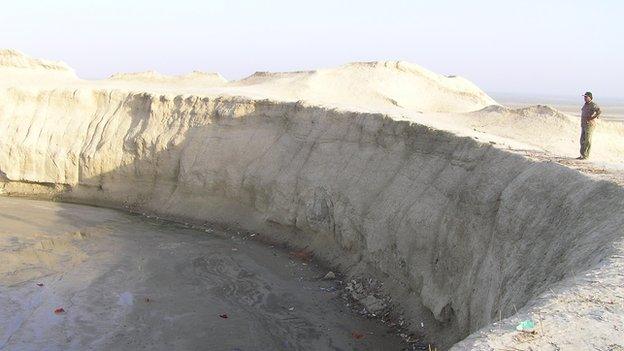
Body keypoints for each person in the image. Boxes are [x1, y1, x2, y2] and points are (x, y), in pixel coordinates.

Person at [578, 91, 601, 159]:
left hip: (589, 125)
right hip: (584, 124)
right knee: (582, 140)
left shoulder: (593, 104)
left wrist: (592, 118)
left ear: (590, 97)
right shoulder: (585, 104)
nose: (584, 98)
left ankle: (586, 156)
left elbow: (599, 111)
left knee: (587, 140)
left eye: (586, 97)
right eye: (584, 97)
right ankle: (582, 155)